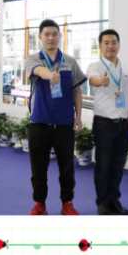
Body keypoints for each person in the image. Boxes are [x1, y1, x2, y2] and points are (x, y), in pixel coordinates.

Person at [25, 19, 86, 215]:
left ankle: (67, 203)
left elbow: (77, 90)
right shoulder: (32, 59)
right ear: (40, 37)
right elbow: (38, 71)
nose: (50, 38)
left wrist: (78, 117)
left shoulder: (70, 61)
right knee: (38, 168)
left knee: (67, 168)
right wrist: (50, 75)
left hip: (64, 124)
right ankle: (40, 205)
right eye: (47, 34)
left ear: (60, 36)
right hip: (39, 123)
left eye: (54, 34)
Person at [87, 29, 128, 215]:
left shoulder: (124, 68)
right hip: (104, 124)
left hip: (122, 124)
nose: (110, 46)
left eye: (113, 42)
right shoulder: (96, 66)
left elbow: (126, 93)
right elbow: (92, 80)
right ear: (100, 46)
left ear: (118, 45)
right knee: (103, 166)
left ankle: (114, 200)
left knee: (118, 166)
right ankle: (102, 202)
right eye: (106, 43)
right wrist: (101, 81)